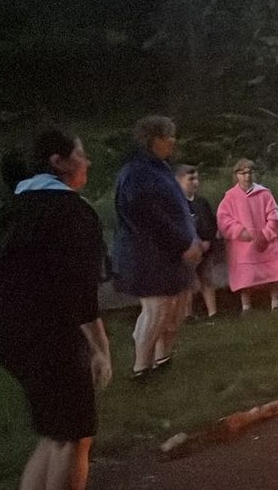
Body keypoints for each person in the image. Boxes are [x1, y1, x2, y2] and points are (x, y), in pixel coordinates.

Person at [0, 130, 111, 490]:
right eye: (81, 155)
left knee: (54, 433)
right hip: (47, 335)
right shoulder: (72, 211)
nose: (87, 162)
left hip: (3, 330)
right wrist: (100, 349)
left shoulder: (16, 207)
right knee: (74, 437)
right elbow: (81, 293)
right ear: (59, 162)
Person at [114, 115, 200, 378]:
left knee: (173, 308)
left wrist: (191, 238)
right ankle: (141, 368)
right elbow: (150, 218)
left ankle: (162, 359)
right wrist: (182, 243)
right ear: (152, 139)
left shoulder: (158, 169)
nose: (172, 141)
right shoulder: (137, 173)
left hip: (169, 255)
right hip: (149, 256)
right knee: (156, 309)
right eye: (167, 136)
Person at [216, 158, 278, 314]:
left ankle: (276, 302)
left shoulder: (264, 194)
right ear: (236, 175)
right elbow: (224, 219)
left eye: (250, 172)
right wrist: (240, 232)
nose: (247, 176)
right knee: (245, 273)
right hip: (243, 243)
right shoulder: (230, 197)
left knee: (273, 269)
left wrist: (266, 234)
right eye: (242, 173)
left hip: (265, 239)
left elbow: (274, 216)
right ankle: (246, 306)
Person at [177, 165, 219, 320]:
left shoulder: (202, 202)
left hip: (205, 250)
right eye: (190, 179)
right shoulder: (176, 204)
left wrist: (208, 240)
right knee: (187, 283)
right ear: (179, 181)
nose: (195, 182)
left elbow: (211, 223)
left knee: (206, 279)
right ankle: (187, 314)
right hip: (187, 250)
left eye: (196, 179)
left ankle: (213, 312)